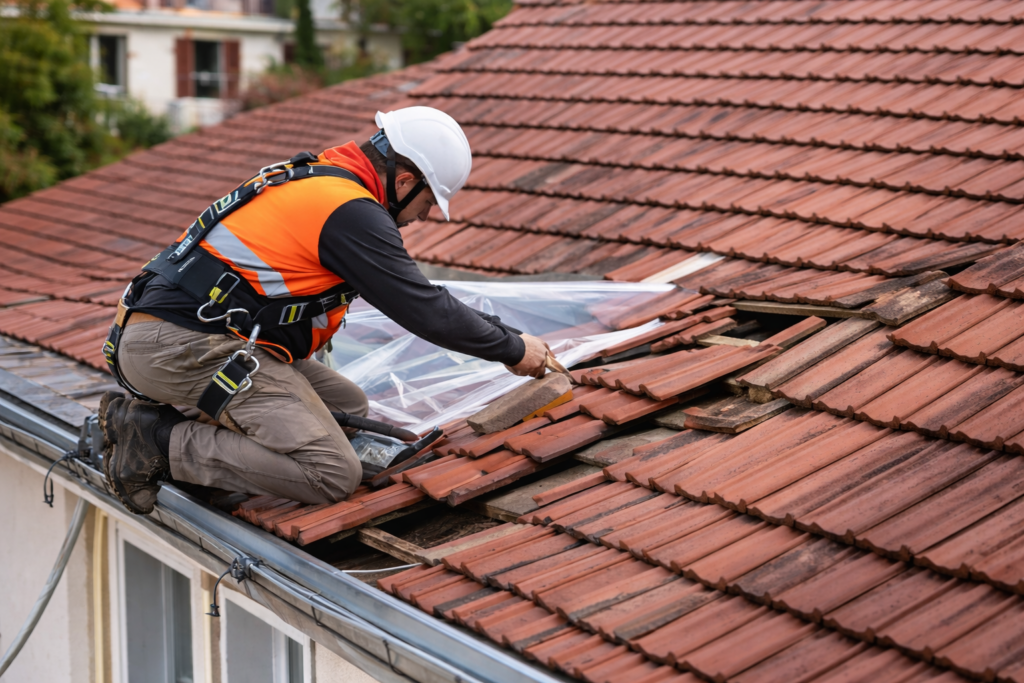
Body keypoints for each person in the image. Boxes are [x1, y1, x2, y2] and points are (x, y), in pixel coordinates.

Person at [100, 106, 550, 515]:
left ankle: (200, 446)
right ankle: (154, 439)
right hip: (183, 346)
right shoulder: (350, 211)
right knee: (332, 471)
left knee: (347, 404)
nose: (424, 216)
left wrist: (505, 334)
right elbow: (423, 307)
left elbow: (418, 296)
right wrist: (513, 350)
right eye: (429, 202)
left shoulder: (323, 180)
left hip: (183, 336)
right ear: (405, 180)